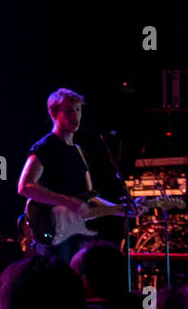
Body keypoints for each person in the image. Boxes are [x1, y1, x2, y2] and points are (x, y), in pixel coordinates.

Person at [17, 88, 121, 264]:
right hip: (55, 233)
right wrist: (67, 201)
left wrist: (123, 209)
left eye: (78, 110)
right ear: (53, 113)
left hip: (78, 233)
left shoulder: (79, 152)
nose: (76, 116)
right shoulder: (45, 148)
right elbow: (25, 186)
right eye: (69, 111)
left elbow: (88, 199)